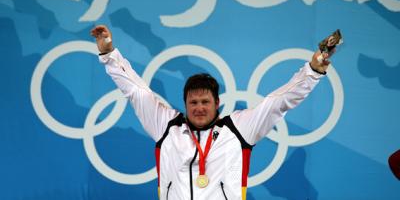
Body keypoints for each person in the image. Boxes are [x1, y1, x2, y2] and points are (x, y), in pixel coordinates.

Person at [91, 25, 333, 200]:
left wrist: (312, 72)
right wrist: (109, 55)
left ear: (217, 103)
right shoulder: (166, 126)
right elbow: (136, 91)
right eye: (193, 102)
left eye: (205, 101)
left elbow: (278, 102)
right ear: (185, 104)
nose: (199, 107)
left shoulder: (238, 129)